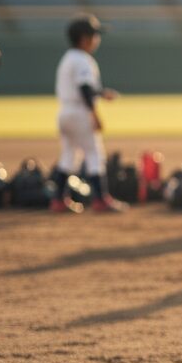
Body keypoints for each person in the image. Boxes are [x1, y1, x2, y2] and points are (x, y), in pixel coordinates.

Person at [50, 14, 125, 214]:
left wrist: (100, 93)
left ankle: (58, 199)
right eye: (94, 35)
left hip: (64, 112)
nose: (97, 39)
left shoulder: (67, 58)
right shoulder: (83, 60)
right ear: (84, 38)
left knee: (68, 155)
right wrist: (96, 112)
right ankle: (101, 199)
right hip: (79, 111)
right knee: (94, 154)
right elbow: (85, 89)